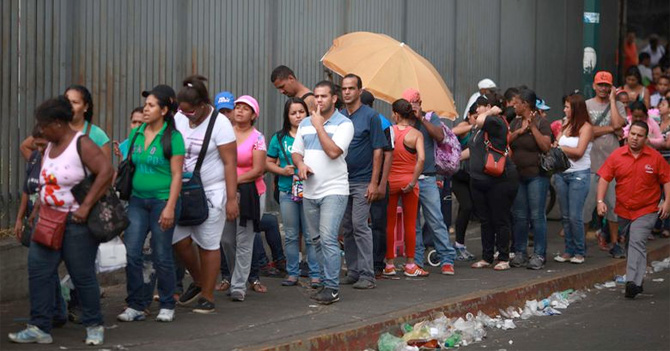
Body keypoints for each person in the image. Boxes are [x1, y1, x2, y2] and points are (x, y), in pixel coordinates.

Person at [8, 96, 113, 345]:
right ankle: (39, 326)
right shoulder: (50, 147)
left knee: (81, 274)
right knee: (39, 271)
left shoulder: (82, 143)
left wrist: (86, 207)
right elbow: (46, 183)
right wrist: (35, 213)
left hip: (77, 223)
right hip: (48, 219)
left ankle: (94, 325)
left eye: (43, 125)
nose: (40, 130)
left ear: (57, 123)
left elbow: (106, 171)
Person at [117, 86, 184, 323]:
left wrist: (169, 207)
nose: (146, 109)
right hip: (136, 200)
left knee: (161, 253)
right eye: (145, 105)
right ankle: (136, 304)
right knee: (132, 252)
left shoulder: (172, 138)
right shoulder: (137, 134)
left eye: (152, 105)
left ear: (164, 110)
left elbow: (177, 175)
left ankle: (167, 302)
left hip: (162, 201)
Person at [171, 76, 238, 313]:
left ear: (202, 105)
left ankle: (207, 295)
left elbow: (230, 163)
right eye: (183, 111)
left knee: (208, 243)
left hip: (212, 191)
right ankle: (200, 280)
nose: (186, 116)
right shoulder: (179, 116)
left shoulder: (220, 123)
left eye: (190, 112)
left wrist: (231, 199)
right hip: (183, 189)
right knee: (178, 239)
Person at [292, 80, 354, 305]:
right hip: (309, 191)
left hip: (334, 190)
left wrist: (319, 126)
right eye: (316, 96)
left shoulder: (344, 124)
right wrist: (299, 165)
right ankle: (324, 281)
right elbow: (297, 152)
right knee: (316, 239)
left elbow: (333, 152)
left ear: (334, 98)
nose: (318, 100)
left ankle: (332, 287)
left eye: (323, 96)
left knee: (328, 238)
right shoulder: (305, 123)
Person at [596, 121, 670, 298]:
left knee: (637, 240)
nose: (635, 138)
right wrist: (600, 201)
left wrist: (667, 202)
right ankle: (638, 280)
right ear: (628, 135)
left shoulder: (655, 157)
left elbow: (667, 179)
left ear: (646, 138)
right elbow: (604, 178)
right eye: (633, 134)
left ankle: (632, 282)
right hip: (624, 210)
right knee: (632, 243)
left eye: (640, 135)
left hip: (647, 209)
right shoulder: (617, 155)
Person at [266, 97, 321, 287]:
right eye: (293, 113)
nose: (298, 116)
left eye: (301, 112)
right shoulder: (279, 138)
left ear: (307, 113)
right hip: (287, 191)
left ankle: (315, 273)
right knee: (290, 234)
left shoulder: (315, 133)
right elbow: (268, 161)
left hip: (310, 190)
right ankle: (292, 273)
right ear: (287, 116)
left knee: (311, 234)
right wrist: (282, 171)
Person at [339, 74, 387, 289]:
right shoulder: (338, 116)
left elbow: (379, 150)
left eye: (351, 88)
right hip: (340, 181)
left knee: (360, 225)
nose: (347, 92)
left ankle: (367, 275)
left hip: (362, 181)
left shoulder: (371, 116)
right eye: (344, 88)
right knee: (347, 228)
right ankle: (354, 270)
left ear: (359, 91)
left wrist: (374, 182)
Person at [402, 88, 457, 275]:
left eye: (414, 102)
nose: (411, 106)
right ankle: (416, 260)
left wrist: (421, 119)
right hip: (408, 177)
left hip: (427, 177)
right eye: (407, 103)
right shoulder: (401, 120)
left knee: (435, 219)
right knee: (412, 222)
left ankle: (447, 258)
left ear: (420, 103)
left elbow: (440, 137)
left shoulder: (430, 118)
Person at [465, 93, 519, 271]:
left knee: (500, 218)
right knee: (485, 220)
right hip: (478, 180)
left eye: (480, 106)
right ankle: (487, 256)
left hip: (498, 180)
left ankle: (503, 257)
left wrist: (491, 112)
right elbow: (474, 149)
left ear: (489, 107)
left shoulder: (495, 121)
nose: (476, 110)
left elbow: (480, 120)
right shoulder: (480, 128)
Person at [221, 94, 267, 302]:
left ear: (253, 114)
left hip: (251, 194)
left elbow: (258, 170)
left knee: (245, 239)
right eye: (237, 107)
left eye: (245, 108)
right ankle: (234, 276)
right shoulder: (224, 134)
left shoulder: (258, 138)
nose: (239, 110)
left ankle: (238, 285)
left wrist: (233, 179)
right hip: (224, 191)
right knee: (226, 239)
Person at [582, 71, 627, 256]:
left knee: (613, 206)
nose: (603, 88)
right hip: (591, 164)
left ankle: (615, 243)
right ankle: (581, 243)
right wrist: (612, 129)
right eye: (600, 85)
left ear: (611, 87)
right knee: (587, 206)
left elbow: (620, 123)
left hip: (613, 166)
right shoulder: (586, 105)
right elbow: (588, 131)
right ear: (594, 86)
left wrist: (613, 101)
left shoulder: (618, 105)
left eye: (607, 85)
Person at [508, 89, 552, 270]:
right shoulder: (515, 121)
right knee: (519, 216)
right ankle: (520, 252)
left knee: (537, 215)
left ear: (525, 104)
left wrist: (533, 128)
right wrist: (520, 131)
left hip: (537, 176)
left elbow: (546, 146)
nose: (513, 106)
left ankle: (539, 254)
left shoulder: (542, 123)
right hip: (518, 175)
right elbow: (508, 140)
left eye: (517, 103)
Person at [383, 99, 426, 276]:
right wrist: (413, 181)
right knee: (410, 223)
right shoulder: (416, 134)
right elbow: (422, 159)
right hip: (409, 181)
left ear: (396, 114)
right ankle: (410, 264)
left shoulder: (389, 131)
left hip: (391, 181)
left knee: (390, 224)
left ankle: (389, 264)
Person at [553, 93, 594, 264]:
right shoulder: (565, 124)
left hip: (579, 174)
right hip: (562, 174)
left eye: (567, 107)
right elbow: (555, 144)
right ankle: (568, 250)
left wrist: (561, 148)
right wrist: (559, 146)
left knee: (575, 215)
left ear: (575, 108)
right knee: (565, 215)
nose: (564, 109)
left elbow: (578, 152)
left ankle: (580, 250)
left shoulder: (586, 127)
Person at [360, 90, 395, 277]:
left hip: (372, 179)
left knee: (373, 223)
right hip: (372, 179)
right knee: (375, 223)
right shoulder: (382, 121)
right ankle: (375, 264)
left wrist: (381, 184)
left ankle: (374, 264)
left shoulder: (379, 122)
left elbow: (387, 153)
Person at [450, 104, 478, 261]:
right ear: (469, 116)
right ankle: (458, 246)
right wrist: (473, 125)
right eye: (474, 117)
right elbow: (453, 132)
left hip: (472, 175)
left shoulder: (482, 131)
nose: (476, 120)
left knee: (468, 208)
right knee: (466, 206)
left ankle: (460, 245)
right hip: (459, 174)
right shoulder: (465, 126)